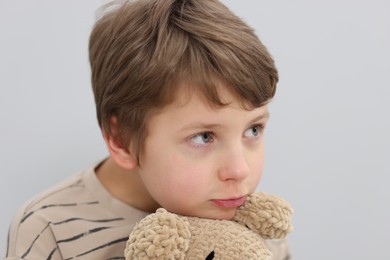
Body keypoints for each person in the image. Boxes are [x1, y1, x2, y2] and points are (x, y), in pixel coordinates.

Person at [5, 0, 291, 259]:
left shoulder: (256, 226)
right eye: (204, 137)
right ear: (121, 139)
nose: (239, 170)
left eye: (253, 130)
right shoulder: (50, 229)